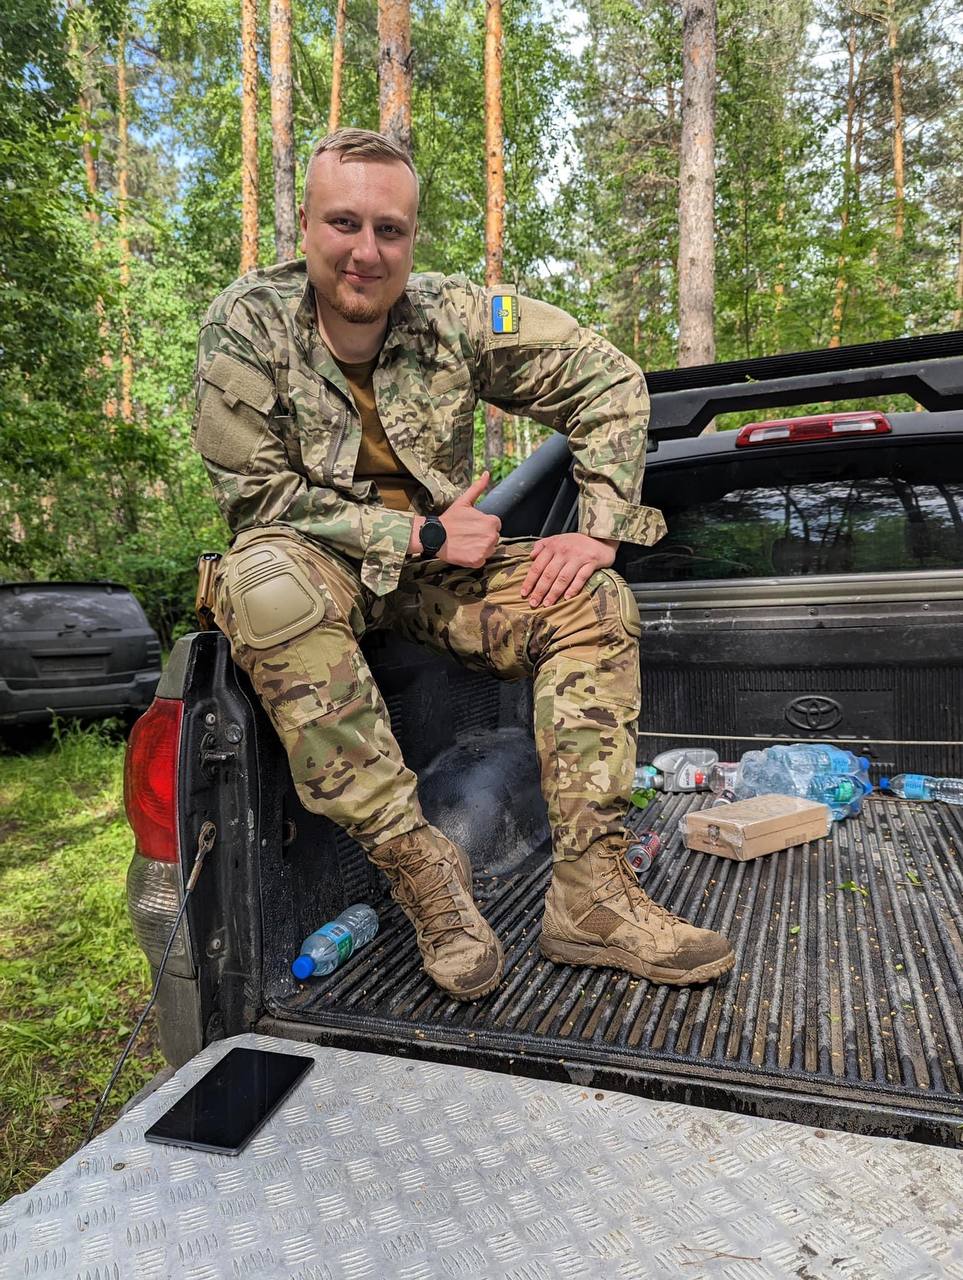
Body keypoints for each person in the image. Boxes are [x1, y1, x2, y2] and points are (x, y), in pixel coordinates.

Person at [192, 127, 734, 1000]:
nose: (366, 252)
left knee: (593, 599)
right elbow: (256, 497)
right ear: (303, 226)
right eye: (343, 224)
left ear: (411, 238)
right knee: (263, 588)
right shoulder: (247, 323)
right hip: (319, 559)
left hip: (427, 581)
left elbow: (611, 380)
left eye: (390, 230)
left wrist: (599, 527)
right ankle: (424, 874)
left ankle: (590, 899)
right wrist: (417, 535)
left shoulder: (455, 315)